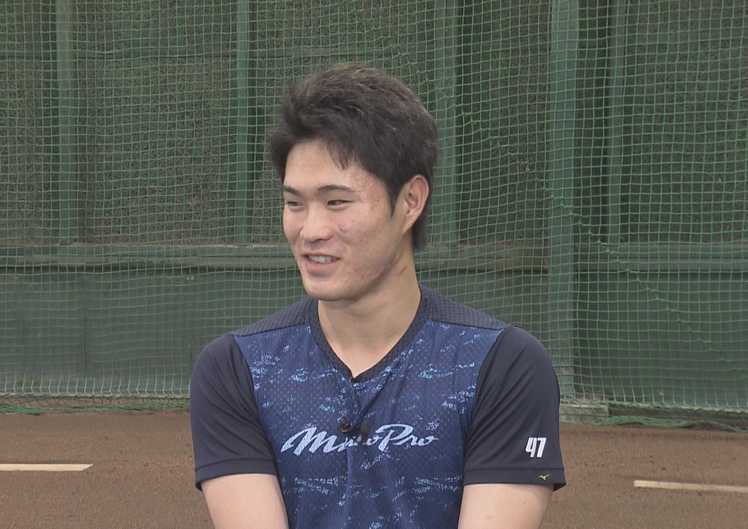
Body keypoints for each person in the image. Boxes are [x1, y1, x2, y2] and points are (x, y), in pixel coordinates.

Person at [190, 63, 565, 529]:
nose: (310, 230)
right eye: (294, 203)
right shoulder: (236, 369)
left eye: (337, 202)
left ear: (410, 201)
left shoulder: (503, 366)